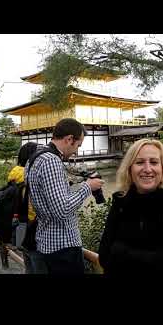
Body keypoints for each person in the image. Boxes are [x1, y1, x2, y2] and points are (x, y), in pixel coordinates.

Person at [98, 138, 163, 275]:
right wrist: (150, 258)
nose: (147, 169)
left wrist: (120, 251)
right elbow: (104, 257)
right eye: (140, 162)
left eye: (154, 162)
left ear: (162, 167)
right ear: (129, 168)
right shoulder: (121, 199)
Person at [25, 118, 104, 275]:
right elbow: (62, 210)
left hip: (46, 241)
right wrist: (88, 186)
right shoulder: (51, 161)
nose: (76, 151)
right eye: (78, 145)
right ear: (69, 139)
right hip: (62, 246)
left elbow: (46, 198)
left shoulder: (35, 157)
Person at [7, 141, 40, 273]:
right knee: (37, 263)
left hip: (20, 222)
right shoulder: (27, 173)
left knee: (28, 263)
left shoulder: (14, 172)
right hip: (31, 224)